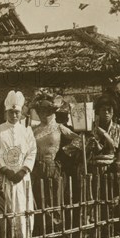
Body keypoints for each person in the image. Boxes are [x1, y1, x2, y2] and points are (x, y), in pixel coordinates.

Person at [0, 90, 37, 238]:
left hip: (22, 177)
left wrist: (23, 171)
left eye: (17, 112)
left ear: (20, 112)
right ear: (6, 112)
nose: (14, 115)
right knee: (9, 207)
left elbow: (32, 151)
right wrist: (5, 169)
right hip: (6, 177)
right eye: (11, 112)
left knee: (24, 207)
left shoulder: (27, 132)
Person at [30, 90, 81, 223]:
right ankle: (41, 230)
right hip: (36, 167)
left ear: (52, 112)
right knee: (38, 198)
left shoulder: (59, 127)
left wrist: (65, 152)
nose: (43, 114)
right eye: (40, 111)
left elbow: (79, 140)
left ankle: (56, 230)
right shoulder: (33, 130)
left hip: (53, 166)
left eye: (47, 111)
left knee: (54, 198)